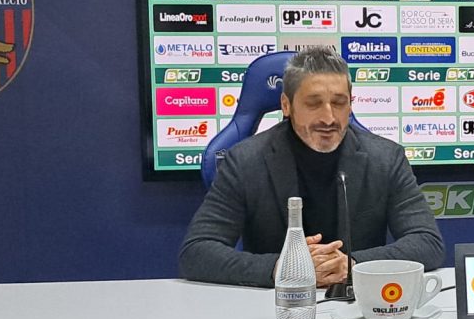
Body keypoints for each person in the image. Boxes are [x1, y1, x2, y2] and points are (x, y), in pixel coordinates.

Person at [179, 46, 444, 288]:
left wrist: (352, 264)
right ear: (286, 105)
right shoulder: (245, 161)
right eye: (314, 103)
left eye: (339, 103)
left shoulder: (386, 158)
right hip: (275, 305)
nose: (328, 118)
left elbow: (427, 242)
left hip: (360, 304)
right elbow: (196, 251)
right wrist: (281, 268)